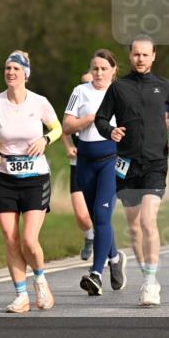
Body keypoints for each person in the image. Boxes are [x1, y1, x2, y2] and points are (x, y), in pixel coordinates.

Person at [94, 35, 169, 307]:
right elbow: (101, 118)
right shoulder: (119, 88)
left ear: (153, 56)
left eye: (145, 55)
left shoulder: (165, 86)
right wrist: (110, 130)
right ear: (130, 55)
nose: (140, 59)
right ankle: (147, 276)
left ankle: (150, 283)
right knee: (134, 229)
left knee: (148, 221)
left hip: (156, 163)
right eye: (136, 54)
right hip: (126, 165)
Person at [0, 51, 61, 313]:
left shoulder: (39, 102)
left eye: (16, 68)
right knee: (10, 238)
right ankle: (20, 295)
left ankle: (40, 279)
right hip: (4, 178)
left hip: (35, 178)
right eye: (7, 68)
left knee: (28, 239)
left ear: (26, 73)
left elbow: (57, 128)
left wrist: (45, 140)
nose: (11, 72)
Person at [63, 50, 127, 296]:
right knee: (98, 219)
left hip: (111, 159)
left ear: (113, 70)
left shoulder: (121, 92)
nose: (99, 73)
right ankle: (114, 258)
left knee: (101, 216)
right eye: (95, 68)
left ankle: (96, 274)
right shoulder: (80, 91)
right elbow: (67, 125)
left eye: (103, 68)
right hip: (85, 160)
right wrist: (88, 120)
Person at [62, 70, 95, 261]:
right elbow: (64, 129)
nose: (86, 86)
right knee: (82, 215)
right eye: (83, 83)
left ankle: (105, 245)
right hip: (77, 165)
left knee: (98, 211)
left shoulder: (104, 104)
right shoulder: (76, 104)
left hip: (100, 164)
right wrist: (69, 148)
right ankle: (89, 237)